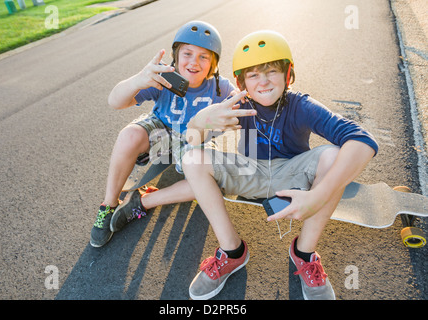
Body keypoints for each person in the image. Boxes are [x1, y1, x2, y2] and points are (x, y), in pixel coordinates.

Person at [182, 30, 379, 300]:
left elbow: (363, 140)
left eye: (271, 71)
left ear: (288, 74)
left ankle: (304, 253)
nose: (263, 82)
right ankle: (232, 251)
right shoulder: (239, 106)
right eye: (253, 75)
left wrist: (317, 196)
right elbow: (191, 142)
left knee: (333, 154)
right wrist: (198, 123)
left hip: (293, 176)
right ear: (242, 82)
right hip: (250, 173)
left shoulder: (301, 105)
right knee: (192, 158)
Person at [90, 21, 236, 248]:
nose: (194, 62)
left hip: (194, 140)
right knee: (128, 135)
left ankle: (142, 202)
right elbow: (115, 101)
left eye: (203, 57)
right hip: (161, 130)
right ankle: (108, 204)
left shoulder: (221, 87)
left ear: (213, 64)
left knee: (213, 182)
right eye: (187, 54)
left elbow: (241, 109)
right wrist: (138, 80)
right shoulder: (164, 77)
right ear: (176, 56)